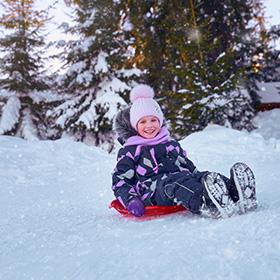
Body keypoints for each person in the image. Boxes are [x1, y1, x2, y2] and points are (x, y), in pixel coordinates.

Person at [111, 84, 257, 218]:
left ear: (160, 121)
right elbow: (120, 180)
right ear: (134, 126)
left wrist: (202, 179)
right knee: (176, 185)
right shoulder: (131, 151)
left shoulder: (170, 144)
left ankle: (237, 193)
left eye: (153, 120)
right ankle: (207, 204)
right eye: (143, 122)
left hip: (181, 179)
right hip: (153, 190)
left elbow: (188, 166)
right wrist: (131, 200)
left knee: (205, 176)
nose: (149, 125)